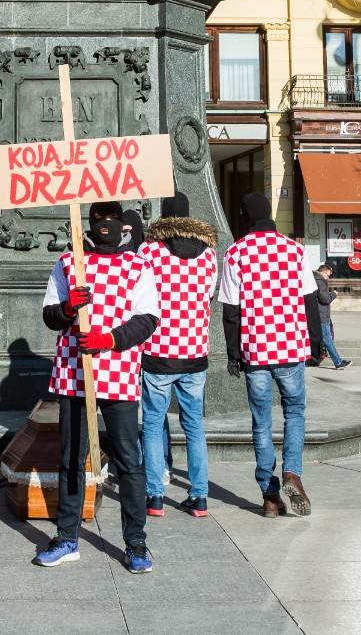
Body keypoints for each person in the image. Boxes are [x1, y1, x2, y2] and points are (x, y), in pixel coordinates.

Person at [35, 213, 158, 573]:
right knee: (72, 458)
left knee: (129, 461)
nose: (105, 226)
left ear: (123, 226)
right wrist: (68, 308)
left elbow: (147, 318)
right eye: (98, 220)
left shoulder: (138, 265)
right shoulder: (67, 262)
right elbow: (49, 314)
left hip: (118, 375)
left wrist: (110, 339)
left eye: (111, 220)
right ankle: (67, 537)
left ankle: (136, 542)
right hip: (75, 375)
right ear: (88, 224)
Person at [221, 192, 320, 520]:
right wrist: (316, 344)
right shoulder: (294, 250)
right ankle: (293, 471)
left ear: (245, 216)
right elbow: (310, 300)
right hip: (290, 347)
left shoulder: (235, 254)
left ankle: (269, 494)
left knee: (261, 421)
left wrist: (234, 353)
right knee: (295, 412)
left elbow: (231, 311)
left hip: (256, 350)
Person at [139, 194, 218, 518]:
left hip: (158, 351)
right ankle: (199, 497)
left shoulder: (150, 251)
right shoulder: (209, 255)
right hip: (195, 351)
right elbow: (209, 296)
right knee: (194, 426)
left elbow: (138, 295)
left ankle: (155, 496)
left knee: (154, 423)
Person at [311, 262, 349, 369]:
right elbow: (325, 299)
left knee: (323, 338)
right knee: (327, 338)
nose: (328, 278)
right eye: (328, 275)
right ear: (323, 272)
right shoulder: (320, 281)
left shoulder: (313, 279)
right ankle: (338, 362)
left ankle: (317, 359)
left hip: (317, 313)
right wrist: (334, 294)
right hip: (322, 314)